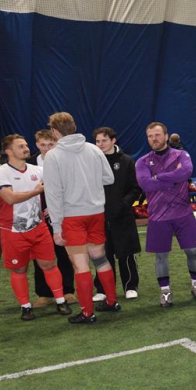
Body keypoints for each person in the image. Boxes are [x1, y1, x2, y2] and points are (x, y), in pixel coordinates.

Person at [43, 112, 119, 323]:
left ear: (54, 132)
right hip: (95, 212)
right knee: (100, 258)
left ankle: (87, 312)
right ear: (74, 126)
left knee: (80, 265)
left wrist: (56, 226)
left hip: (72, 216)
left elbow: (53, 194)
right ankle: (111, 301)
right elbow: (109, 178)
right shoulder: (93, 149)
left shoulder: (53, 156)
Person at [0, 134, 72, 319]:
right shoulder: (1, 173)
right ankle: (25, 307)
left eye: (26, 145)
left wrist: (53, 206)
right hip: (12, 231)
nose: (26, 148)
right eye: (20, 146)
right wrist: (37, 191)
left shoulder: (38, 170)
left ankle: (60, 301)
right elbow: (10, 198)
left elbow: (61, 187)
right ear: (8, 151)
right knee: (19, 269)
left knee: (49, 264)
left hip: (38, 227)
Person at [136, 122, 196, 307]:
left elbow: (186, 172)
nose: (154, 139)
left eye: (157, 135)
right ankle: (165, 291)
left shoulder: (181, 155)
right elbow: (145, 184)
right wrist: (173, 178)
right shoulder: (142, 161)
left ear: (166, 136)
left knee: (192, 252)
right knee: (161, 256)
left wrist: (158, 177)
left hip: (183, 213)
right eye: (150, 136)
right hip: (158, 216)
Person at [93, 127, 142, 300]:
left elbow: (136, 188)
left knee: (126, 252)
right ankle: (102, 289)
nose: (100, 144)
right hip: (99, 215)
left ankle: (130, 286)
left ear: (113, 140)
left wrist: (123, 204)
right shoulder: (92, 161)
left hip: (122, 215)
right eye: (97, 141)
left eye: (104, 140)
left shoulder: (127, 160)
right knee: (101, 254)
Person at [30, 129, 75, 302]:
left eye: (51, 144)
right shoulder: (29, 163)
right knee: (39, 254)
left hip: (61, 213)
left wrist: (57, 206)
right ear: (37, 144)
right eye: (43, 145)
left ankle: (68, 290)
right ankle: (44, 294)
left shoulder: (64, 160)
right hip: (36, 215)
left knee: (63, 252)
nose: (47, 148)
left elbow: (71, 185)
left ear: (56, 143)